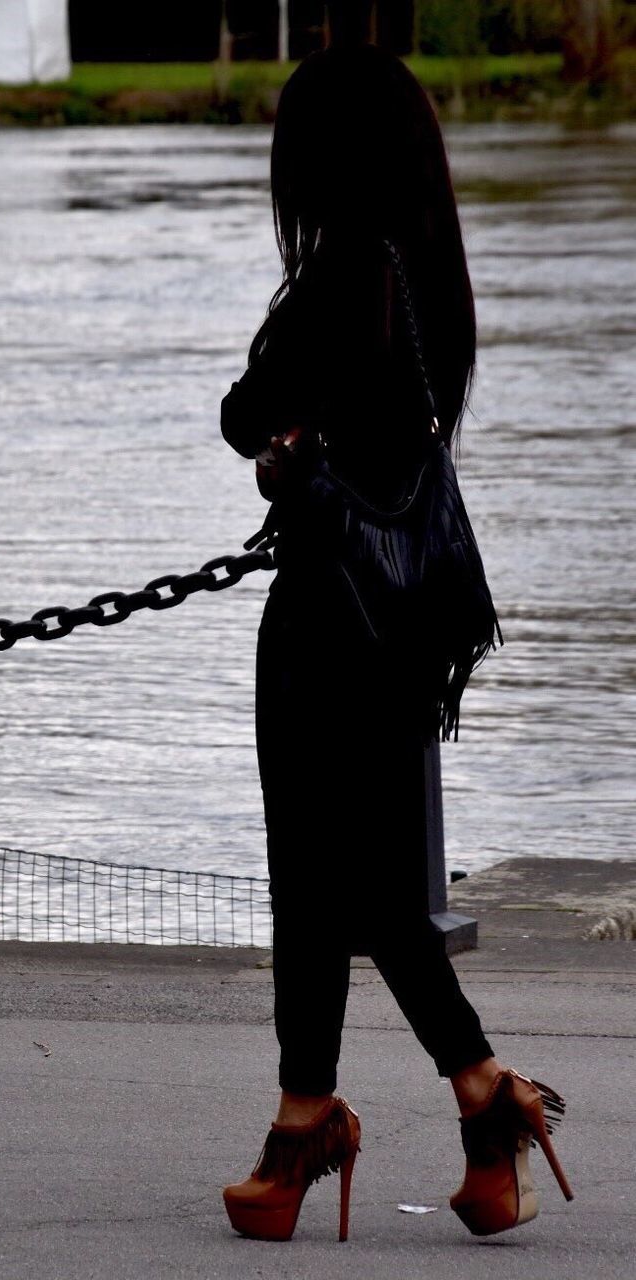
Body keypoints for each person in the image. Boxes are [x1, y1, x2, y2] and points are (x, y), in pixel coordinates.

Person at [218, 45, 573, 1241]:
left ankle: (449, 1095)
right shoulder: (430, 268)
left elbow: (242, 413)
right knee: (347, 881)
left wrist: (280, 445)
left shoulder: (342, 273)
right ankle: (346, 1114)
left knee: (323, 882)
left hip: (330, 613)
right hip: (406, 617)